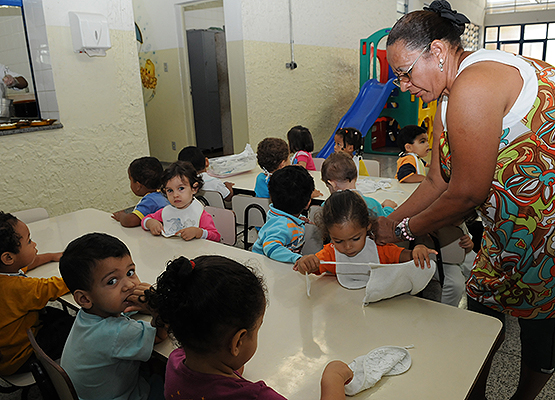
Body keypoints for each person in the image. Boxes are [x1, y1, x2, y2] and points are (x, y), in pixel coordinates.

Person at [375, 1, 555, 398]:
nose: (403, 86)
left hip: (546, 236)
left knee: (540, 330)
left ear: (438, 52)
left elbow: (468, 192)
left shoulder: (475, 84)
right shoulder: (444, 97)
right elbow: (439, 178)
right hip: (504, 230)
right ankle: (475, 393)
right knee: (481, 314)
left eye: (404, 74)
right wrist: (389, 224)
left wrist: (405, 230)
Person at [145, 255, 353, 400]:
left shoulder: (174, 362)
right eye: (258, 327)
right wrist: (332, 379)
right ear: (237, 342)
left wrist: (230, 367)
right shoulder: (256, 397)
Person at [59, 233, 166, 400]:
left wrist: (146, 305)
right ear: (85, 298)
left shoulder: (91, 312)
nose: (130, 285)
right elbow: (160, 334)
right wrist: (157, 307)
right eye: (112, 281)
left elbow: (131, 308)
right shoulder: (115, 333)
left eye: (130, 272)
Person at [293, 190, 436, 276]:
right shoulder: (330, 255)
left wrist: (418, 251)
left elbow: (409, 257)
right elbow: (309, 268)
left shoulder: (379, 249)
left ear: (367, 226)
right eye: (338, 241)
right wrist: (304, 264)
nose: (348, 247)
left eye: (355, 238)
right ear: (329, 234)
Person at [0, 211, 72, 376]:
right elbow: (53, 286)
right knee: (76, 326)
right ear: (8, 258)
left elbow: (26, 266)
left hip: (8, 347)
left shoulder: (5, 271)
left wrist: (52, 256)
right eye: (29, 241)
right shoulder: (19, 287)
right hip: (20, 357)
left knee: (57, 314)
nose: (34, 244)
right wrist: (88, 272)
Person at [142, 161, 221, 242]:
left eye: (181, 188)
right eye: (170, 190)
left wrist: (199, 233)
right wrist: (150, 223)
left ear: (194, 188)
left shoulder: (202, 215)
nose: (175, 195)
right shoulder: (165, 211)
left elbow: (216, 237)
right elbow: (145, 219)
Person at [252, 166, 315, 263]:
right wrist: (296, 258)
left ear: (271, 198)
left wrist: (299, 221)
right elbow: (270, 247)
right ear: (308, 204)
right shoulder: (283, 225)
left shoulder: (276, 213)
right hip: (266, 266)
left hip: (275, 263)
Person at [321, 152, 397, 217]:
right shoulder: (371, 204)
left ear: (333, 184)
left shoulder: (325, 206)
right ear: (356, 176)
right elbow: (386, 220)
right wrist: (389, 207)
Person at [112, 156, 169, 227]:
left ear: (138, 186)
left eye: (131, 180)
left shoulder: (150, 200)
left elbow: (131, 221)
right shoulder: (165, 194)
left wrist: (121, 216)